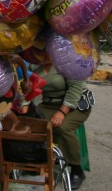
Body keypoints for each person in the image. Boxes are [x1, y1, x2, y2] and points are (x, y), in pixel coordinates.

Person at [20, 62, 91, 190]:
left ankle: (76, 169)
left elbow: (76, 88)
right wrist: (24, 103)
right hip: (49, 104)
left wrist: (62, 112)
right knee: (34, 125)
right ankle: (40, 163)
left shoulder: (65, 61)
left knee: (62, 128)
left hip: (75, 104)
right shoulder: (32, 63)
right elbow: (28, 86)